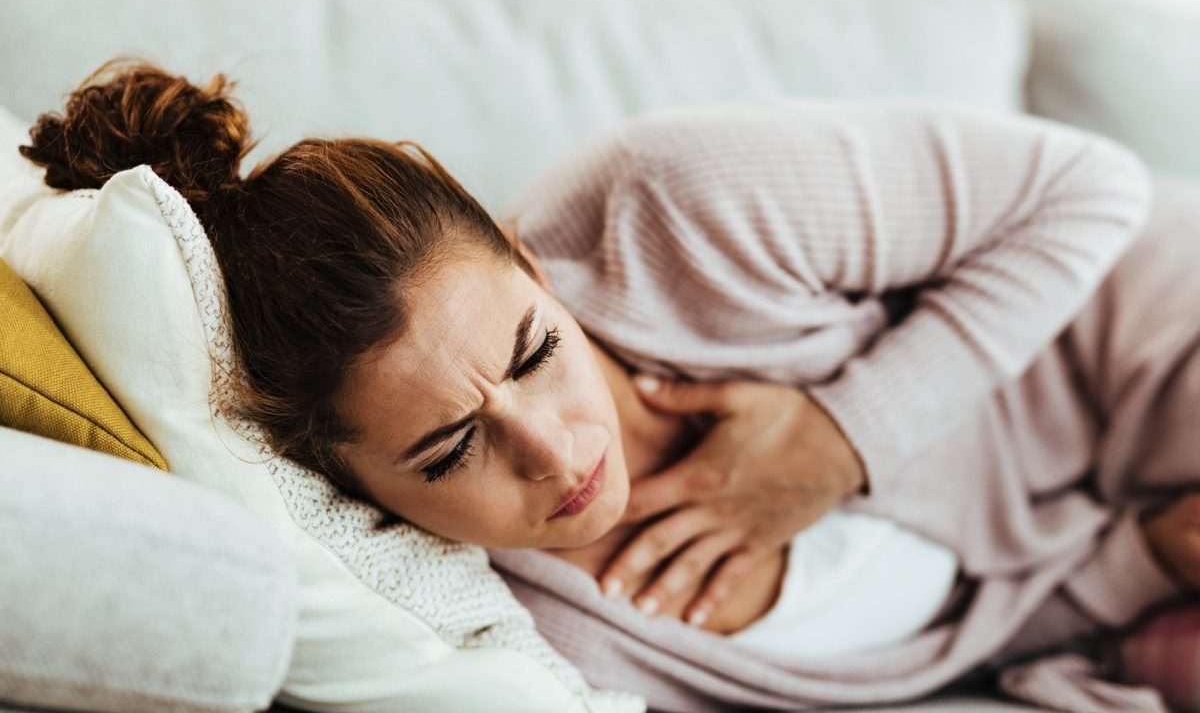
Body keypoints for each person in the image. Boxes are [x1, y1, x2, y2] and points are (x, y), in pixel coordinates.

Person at [20, 61, 1200, 710]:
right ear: (349, 479)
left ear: (533, 261)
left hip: (1137, 334)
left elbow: (1091, 189)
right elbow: (985, 614)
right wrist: (1144, 560)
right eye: (445, 452)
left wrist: (845, 433)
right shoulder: (552, 643)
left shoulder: (673, 201)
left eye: (536, 348)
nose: (552, 450)